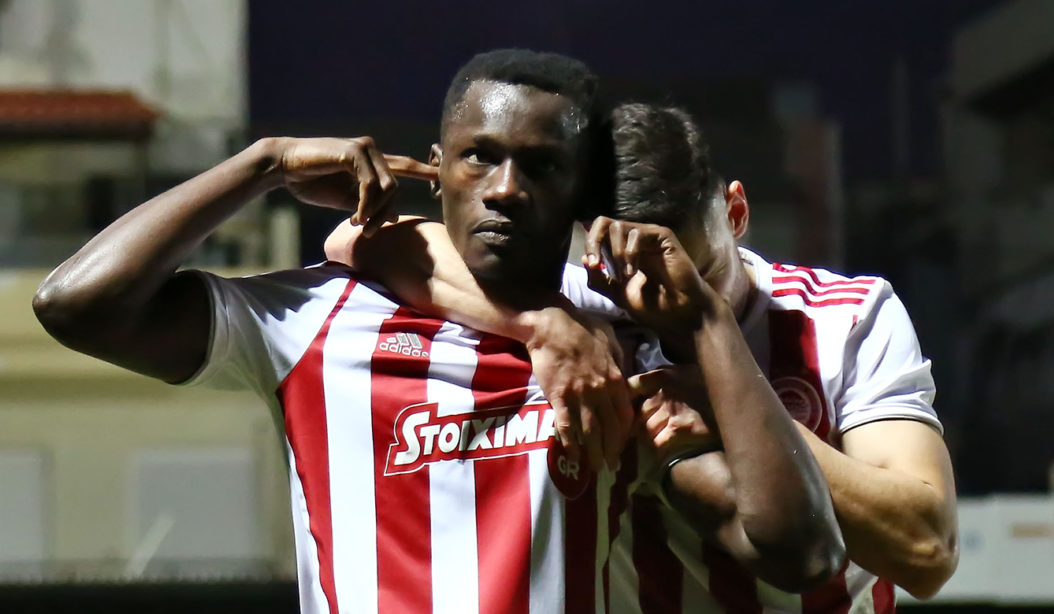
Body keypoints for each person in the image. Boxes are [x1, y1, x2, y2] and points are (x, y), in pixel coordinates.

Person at [32, 49, 837, 613]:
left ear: (578, 193)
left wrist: (706, 320)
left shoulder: (610, 352)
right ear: (435, 167)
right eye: (479, 157)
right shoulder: (318, 319)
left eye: (542, 166)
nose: (505, 188)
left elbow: (798, 554)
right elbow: (75, 304)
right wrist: (264, 164)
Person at [331, 103, 958, 612]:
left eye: (697, 275)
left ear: (736, 213)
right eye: (634, 279)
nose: (665, 302)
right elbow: (358, 235)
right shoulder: (588, 301)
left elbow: (927, 551)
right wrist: (547, 325)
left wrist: (733, 407)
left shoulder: (845, 316)